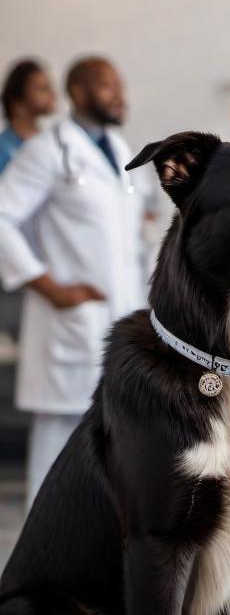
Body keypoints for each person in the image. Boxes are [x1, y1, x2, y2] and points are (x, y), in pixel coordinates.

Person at [0, 56, 156, 511]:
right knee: (57, 444)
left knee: (114, 445)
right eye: (107, 86)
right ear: (79, 92)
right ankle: (40, 566)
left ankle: (91, 561)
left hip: (122, 317)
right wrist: (48, 286)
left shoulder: (120, 149)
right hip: (70, 318)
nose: (119, 95)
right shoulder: (49, 150)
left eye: (120, 85)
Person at [0, 60, 57, 174]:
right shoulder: (4, 149)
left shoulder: (52, 144)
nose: (52, 94)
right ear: (17, 99)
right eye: (42, 89)